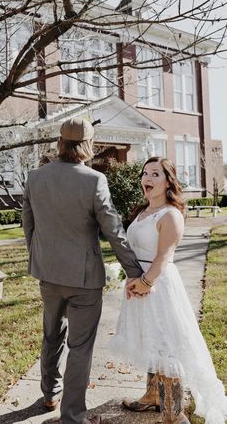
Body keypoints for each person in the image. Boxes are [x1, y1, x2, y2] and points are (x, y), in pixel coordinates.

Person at [22, 117, 143, 424]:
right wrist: (134, 271)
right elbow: (113, 230)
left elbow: (28, 226)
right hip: (84, 279)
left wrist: (39, 257)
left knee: (52, 334)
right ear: (88, 145)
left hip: (48, 274)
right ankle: (72, 415)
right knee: (80, 346)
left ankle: (49, 393)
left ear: (60, 143)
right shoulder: (93, 180)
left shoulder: (35, 177)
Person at [110, 156, 227, 424]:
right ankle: (152, 395)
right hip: (139, 284)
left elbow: (163, 257)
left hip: (159, 287)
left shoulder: (171, 215)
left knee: (167, 346)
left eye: (155, 174)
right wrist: (131, 279)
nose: (147, 179)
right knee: (150, 340)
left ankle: (174, 415)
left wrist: (145, 283)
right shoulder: (142, 213)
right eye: (145, 173)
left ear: (167, 182)